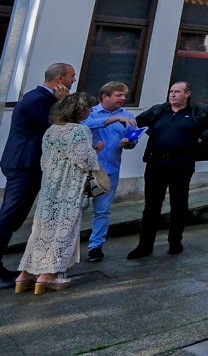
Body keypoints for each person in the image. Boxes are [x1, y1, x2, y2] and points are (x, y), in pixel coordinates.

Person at [127, 81, 208, 258]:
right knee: (151, 205)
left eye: (177, 92)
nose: (173, 95)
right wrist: (128, 135)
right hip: (156, 163)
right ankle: (145, 246)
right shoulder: (159, 110)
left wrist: (203, 136)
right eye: (171, 91)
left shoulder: (197, 110)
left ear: (187, 94)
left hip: (182, 163)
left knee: (179, 203)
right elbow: (135, 123)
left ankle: (175, 242)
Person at [12, 92, 101, 294]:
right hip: (69, 187)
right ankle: (48, 275)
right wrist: (96, 150)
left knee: (42, 230)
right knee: (64, 229)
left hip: (50, 185)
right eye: (88, 107)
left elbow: (46, 159)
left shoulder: (51, 130)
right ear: (80, 110)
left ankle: (25, 275)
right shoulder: (80, 130)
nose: (90, 111)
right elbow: (85, 161)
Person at [0, 63, 75, 286]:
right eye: (71, 76)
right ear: (59, 78)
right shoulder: (37, 100)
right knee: (9, 215)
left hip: (27, 164)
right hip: (25, 164)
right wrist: (62, 103)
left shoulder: (40, 98)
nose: (73, 81)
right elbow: (55, 127)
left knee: (14, 215)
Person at [83, 82, 138, 262]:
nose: (123, 98)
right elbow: (85, 126)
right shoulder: (89, 112)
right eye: (118, 95)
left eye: (124, 95)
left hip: (110, 170)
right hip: (85, 169)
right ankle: (67, 245)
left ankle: (95, 247)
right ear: (105, 97)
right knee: (77, 209)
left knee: (103, 210)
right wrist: (113, 120)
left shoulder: (128, 116)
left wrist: (129, 142)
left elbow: (132, 139)